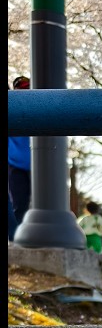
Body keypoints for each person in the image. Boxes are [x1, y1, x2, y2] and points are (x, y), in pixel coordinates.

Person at [8, 75, 31, 240]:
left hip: (38, 165)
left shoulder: (37, 106)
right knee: (19, 205)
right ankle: (16, 240)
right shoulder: (12, 107)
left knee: (41, 205)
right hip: (16, 165)